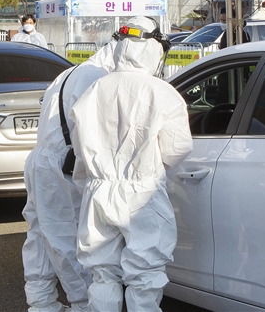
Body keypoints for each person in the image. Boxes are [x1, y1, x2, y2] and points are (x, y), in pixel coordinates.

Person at [69, 17, 193, 312]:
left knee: (102, 273)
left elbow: (79, 147)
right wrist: (147, 165)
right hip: (143, 193)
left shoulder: (93, 90)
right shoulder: (161, 92)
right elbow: (178, 148)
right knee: (145, 275)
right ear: (153, 49)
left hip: (99, 191)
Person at [22, 41, 117, 312]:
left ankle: (41, 304)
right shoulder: (96, 77)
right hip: (61, 165)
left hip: (42, 160)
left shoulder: (72, 72)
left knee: (41, 235)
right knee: (65, 238)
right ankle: (83, 304)